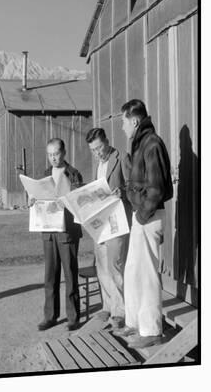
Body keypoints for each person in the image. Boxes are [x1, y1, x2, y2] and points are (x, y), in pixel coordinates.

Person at [114, 99, 173, 348]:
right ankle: (134, 323)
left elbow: (157, 188)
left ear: (135, 120)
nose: (122, 127)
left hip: (148, 217)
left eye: (124, 122)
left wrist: (141, 214)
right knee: (133, 271)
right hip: (141, 216)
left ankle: (151, 331)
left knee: (147, 273)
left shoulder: (152, 144)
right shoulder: (141, 144)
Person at [33, 138, 83, 332]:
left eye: (56, 154)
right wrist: (33, 200)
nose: (53, 158)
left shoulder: (74, 174)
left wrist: (68, 202)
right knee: (50, 275)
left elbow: (80, 201)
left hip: (67, 231)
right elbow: (39, 198)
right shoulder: (45, 175)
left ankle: (73, 317)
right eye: (50, 154)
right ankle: (50, 316)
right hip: (48, 231)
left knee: (70, 274)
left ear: (64, 153)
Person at [85, 128, 132, 330]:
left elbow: (133, 184)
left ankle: (121, 311)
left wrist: (122, 191)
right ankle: (108, 306)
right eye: (93, 151)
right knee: (102, 266)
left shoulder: (121, 158)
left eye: (99, 148)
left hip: (117, 221)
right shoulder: (98, 164)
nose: (97, 153)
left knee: (115, 266)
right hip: (100, 222)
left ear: (107, 141)